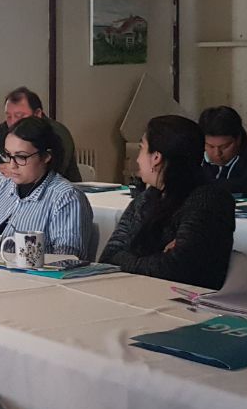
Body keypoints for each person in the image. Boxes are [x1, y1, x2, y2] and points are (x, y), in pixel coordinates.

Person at [99, 115, 235, 289]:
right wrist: (158, 257)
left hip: (184, 299)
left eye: (141, 149)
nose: (138, 159)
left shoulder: (209, 200)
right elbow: (109, 257)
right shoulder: (147, 198)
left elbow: (177, 269)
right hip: (137, 290)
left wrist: (131, 259)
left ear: (156, 157)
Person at [0, 118, 94, 259]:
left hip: (35, 272)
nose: (12, 165)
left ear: (46, 156)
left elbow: (67, 259)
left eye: (21, 157)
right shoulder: (0, 188)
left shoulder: (66, 198)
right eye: (7, 155)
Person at [0, 86, 80, 182]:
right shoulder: (3, 129)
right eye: (8, 116)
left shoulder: (56, 132)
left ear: (37, 114)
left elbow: (54, 171)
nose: (13, 122)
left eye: (19, 116)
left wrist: (12, 168)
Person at [197, 105, 247, 201]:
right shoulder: (196, 157)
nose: (217, 153)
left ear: (238, 139)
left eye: (224, 147)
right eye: (210, 146)